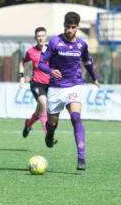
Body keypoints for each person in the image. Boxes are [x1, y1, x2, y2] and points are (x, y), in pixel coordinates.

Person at [38, 12, 99, 170]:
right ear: (64, 25)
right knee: (52, 123)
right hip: (56, 88)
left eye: (73, 27)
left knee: (76, 118)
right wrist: (50, 71)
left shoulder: (82, 45)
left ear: (77, 27)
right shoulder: (54, 42)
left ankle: (81, 157)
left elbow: (88, 62)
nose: (70, 30)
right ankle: (50, 132)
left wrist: (94, 77)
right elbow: (41, 63)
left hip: (74, 85)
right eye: (67, 27)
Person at [19, 27, 50, 137]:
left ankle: (28, 124)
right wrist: (22, 76)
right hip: (36, 84)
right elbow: (23, 62)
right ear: (35, 38)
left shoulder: (52, 50)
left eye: (43, 36)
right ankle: (48, 134)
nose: (41, 38)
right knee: (45, 106)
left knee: (39, 112)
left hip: (49, 85)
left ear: (46, 37)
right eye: (38, 36)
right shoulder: (31, 51)